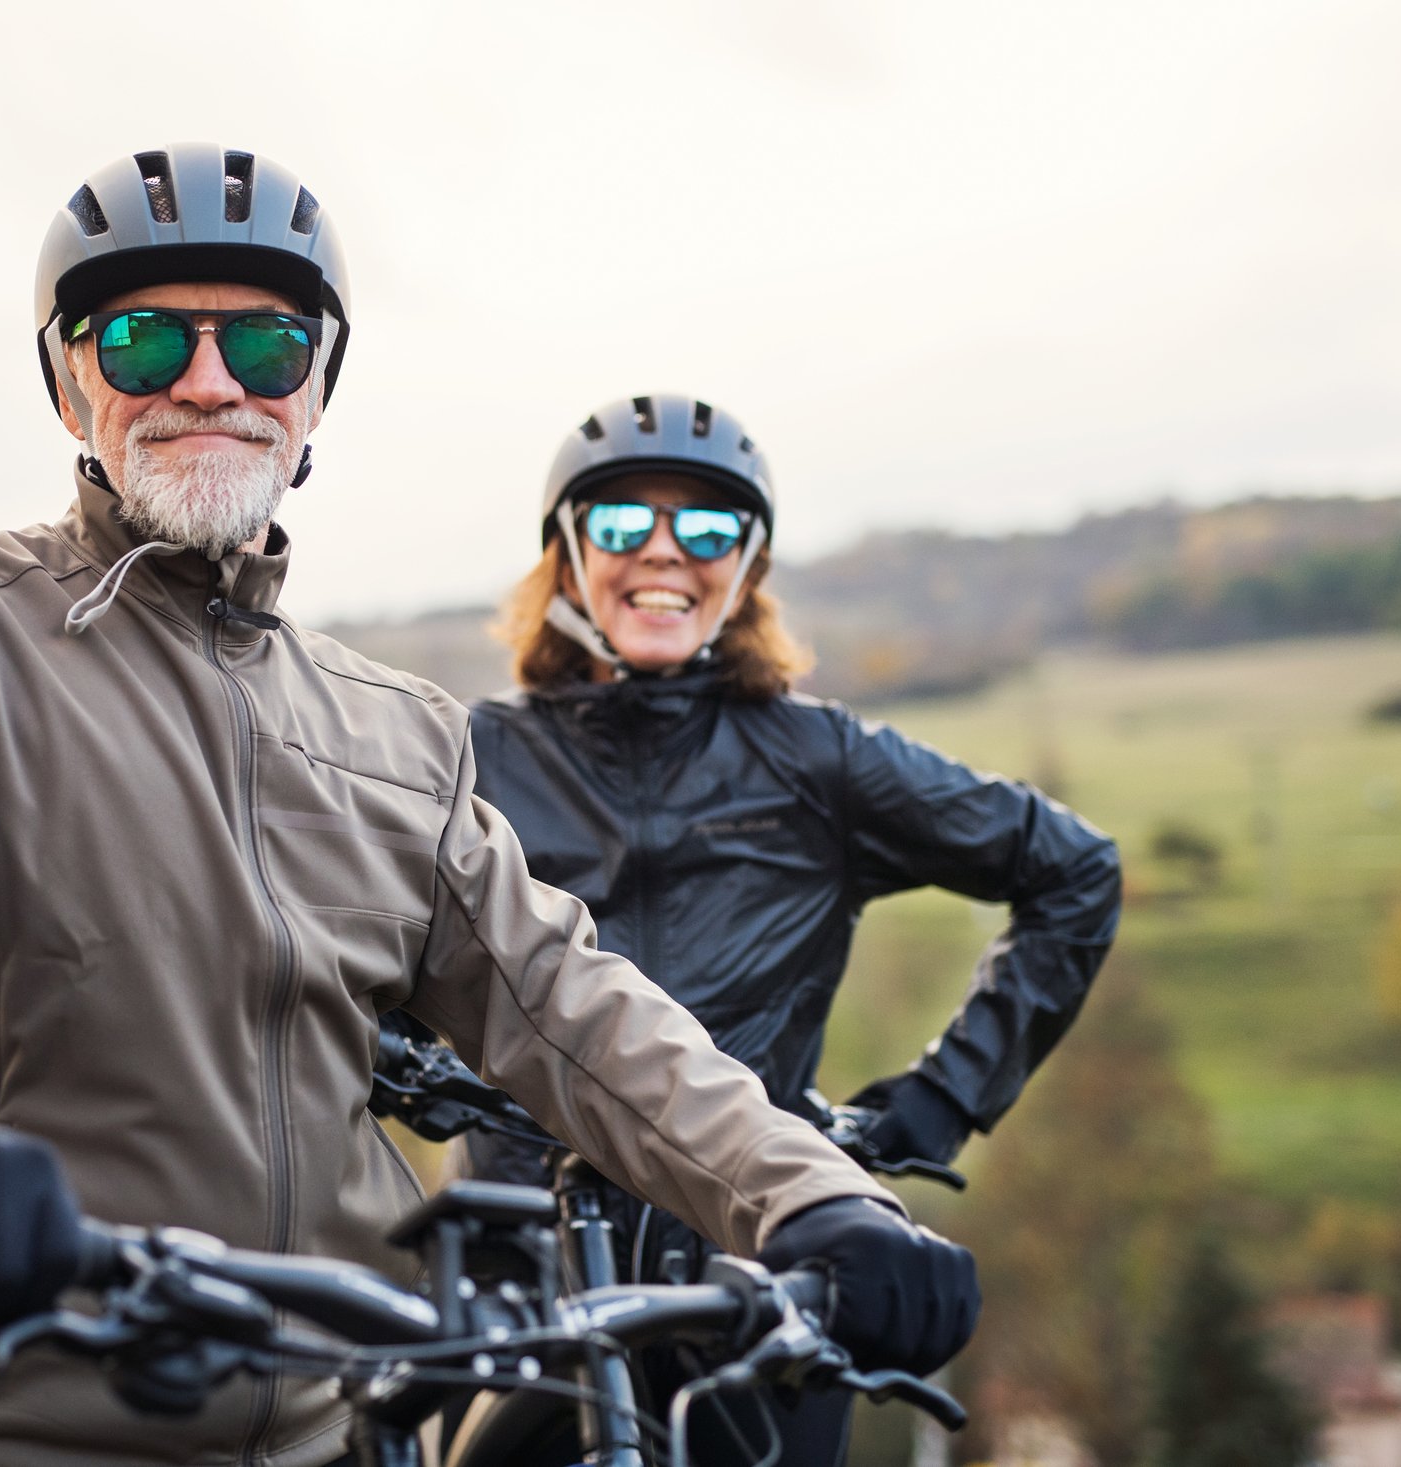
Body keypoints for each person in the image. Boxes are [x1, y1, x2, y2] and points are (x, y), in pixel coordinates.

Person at [0, 153, 980, 1467]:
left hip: (357, 1422)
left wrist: (816, 1199)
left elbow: (573, 1004)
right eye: (142, 338)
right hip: (33, 1429)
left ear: (314, 387)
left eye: (263, 339)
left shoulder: (393, 726)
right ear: (71, 377)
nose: (209, 381)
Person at [463, 392, 1123, 1462]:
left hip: (762, 1276)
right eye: (623, 523)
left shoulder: (822, 761)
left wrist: (939, 1102)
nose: (665, 554)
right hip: (513, 1267)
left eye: (710, 529)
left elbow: (1073, 872)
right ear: (568, 554)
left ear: (751, 566)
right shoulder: (467, 758)